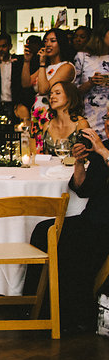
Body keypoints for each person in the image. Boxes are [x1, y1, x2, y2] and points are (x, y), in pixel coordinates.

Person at [26, 127, 109, 334]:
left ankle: (72, 314)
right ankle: (35, 306)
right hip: (92, 218)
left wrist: (102, 151)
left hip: (105, 225)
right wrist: (79, 162)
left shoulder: (103, 149)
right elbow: (83, 189)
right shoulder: (104, 147)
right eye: (107, 118)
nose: (107, 123)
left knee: (72, 243)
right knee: (44, 230)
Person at [22, 27, 76, 118]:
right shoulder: (45, 68)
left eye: (52, 41)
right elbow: (26, 83)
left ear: (61, 43)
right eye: (46, 41)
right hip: (38, 113)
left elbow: (43, 90)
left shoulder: (67, 67)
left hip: (53, 115)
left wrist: (42, 63)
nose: (48, 44)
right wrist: (27, 61)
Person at [73, 21, 109, 138]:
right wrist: (91, 82)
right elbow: (73, 91)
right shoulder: (82, 57)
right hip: (90, 115)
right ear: (102, 34)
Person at [38, 81, 89, 151]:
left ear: (69, 96)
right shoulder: (47, 126)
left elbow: (85, 156)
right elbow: (46, 157)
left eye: (58, 93)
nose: (52, 97)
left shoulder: (81, 124)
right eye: (51, 94)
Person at [0, 32, 29, 119]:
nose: (0, 49)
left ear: (10, 46)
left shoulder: (17, 62)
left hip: (15, 105)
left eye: (4, 46)